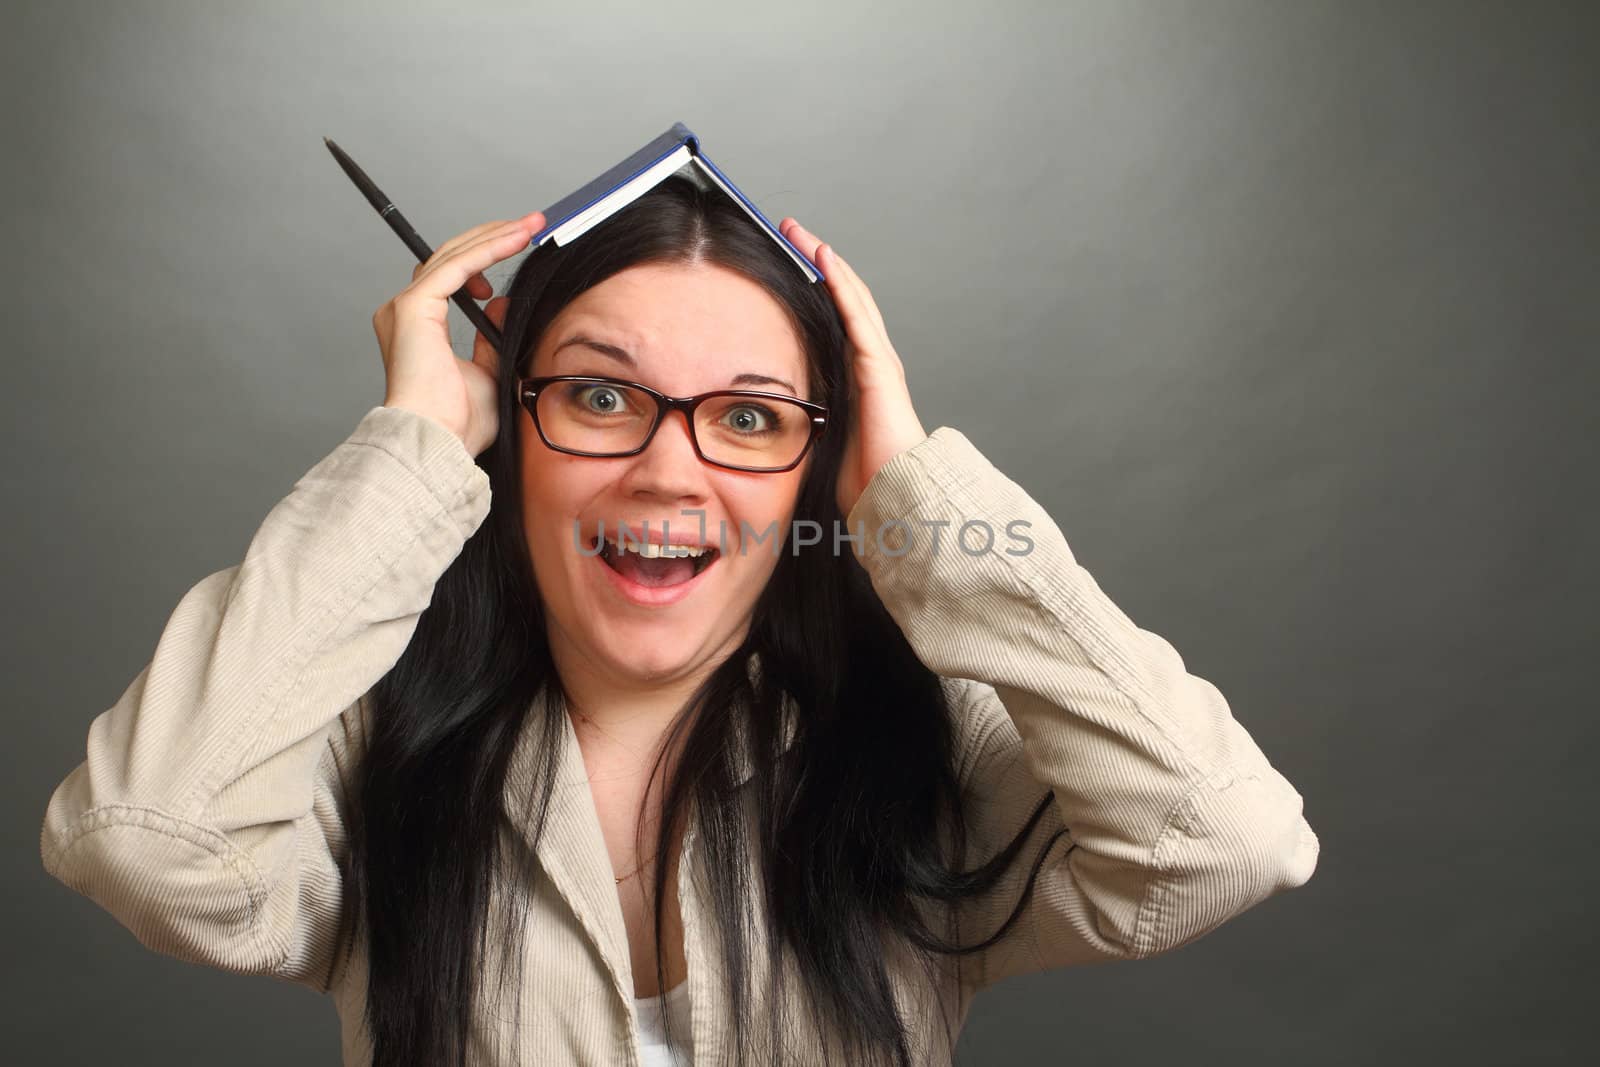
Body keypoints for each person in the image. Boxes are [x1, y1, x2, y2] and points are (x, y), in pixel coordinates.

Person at [40, 175, 1320, 1067]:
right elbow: (146, 843)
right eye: (601, 396)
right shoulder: (371, 742)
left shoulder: (919, 745)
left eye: (752, 415)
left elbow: (1220, 842)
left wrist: (919, 493)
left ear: (822, 464)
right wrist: (408, 452)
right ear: (510, 434)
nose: (668, 472)